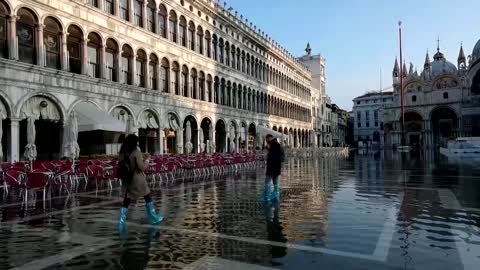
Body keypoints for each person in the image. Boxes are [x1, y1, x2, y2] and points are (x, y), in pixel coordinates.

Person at [118, 134, 164, 234]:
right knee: (147, 196)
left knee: (127, 199)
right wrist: (147, 160)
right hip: (137, 179)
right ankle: (153, 217)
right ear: (134, 143)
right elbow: (142, 167)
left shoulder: (122, 153)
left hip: (127, 179)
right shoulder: (136, 152)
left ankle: (121, 221)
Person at [263, 134, 285, 202]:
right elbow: (281, 157)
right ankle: (276, 196)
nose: (266, 141)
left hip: (271, 167)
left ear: (269, 138)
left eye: (266, 139)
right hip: (277, 167)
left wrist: (268, 151)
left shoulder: (272, 145)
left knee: (267, 181)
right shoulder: (278, 145)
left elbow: (271, 156)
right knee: (275, 182)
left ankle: (267, 197)